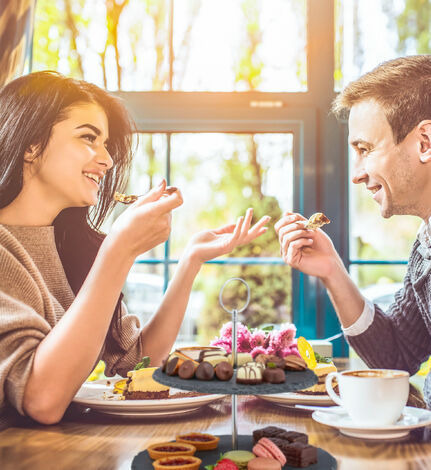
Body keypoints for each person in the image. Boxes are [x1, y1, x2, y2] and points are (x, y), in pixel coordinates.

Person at [0, 71, 270, 426]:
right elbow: (42, 399)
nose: (107, 160)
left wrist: (190, 261)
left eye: (106, 144)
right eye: (87, 138)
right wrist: (119, 250)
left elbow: (140, 361)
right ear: (32, 144)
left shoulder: (73, 249)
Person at [275, 55, 431, 434]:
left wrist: (406, 402)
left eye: (365, 149)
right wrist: (332, 272)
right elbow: (395, 354)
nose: (357, 173)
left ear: (425, 142)